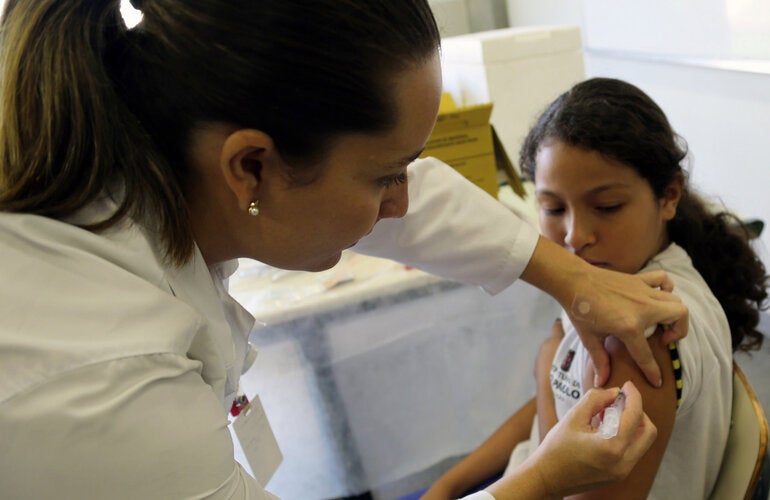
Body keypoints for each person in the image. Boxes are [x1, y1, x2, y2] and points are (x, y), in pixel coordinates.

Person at [0, 1, 682, 497]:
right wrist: (538, 481)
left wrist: (571, 279)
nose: (403, 203)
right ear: (252, 169)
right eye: (387, 175)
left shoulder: (150, 154)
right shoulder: (94, 374)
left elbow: (394, 197)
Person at [423, 77, 768, 500]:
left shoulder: (637, 335)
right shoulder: (608, 281)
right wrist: (446, 485)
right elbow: (558, 392)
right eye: (553, 208)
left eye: (606, 207)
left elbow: (563, 442)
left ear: (669, 195)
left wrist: (545, 361)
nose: (575, 235)